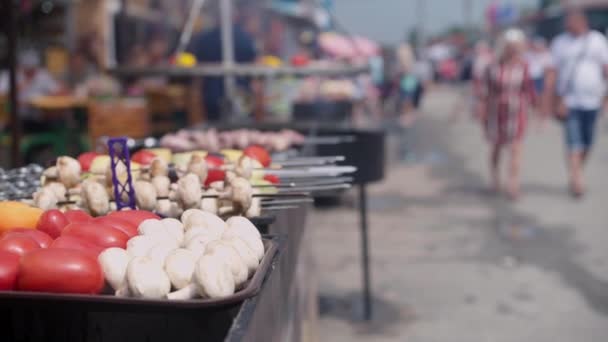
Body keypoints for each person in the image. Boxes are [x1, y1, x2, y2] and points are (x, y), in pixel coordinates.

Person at [544, 9, 608, 197]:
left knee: (588, 142)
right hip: (569, 101)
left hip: (593, 101)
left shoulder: (597, 40)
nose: (567, 24)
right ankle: (577, 179)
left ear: (581, 22)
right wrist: (551, 101)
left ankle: (577, 170)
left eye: (571, 21)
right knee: (574, 142)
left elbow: (605, 69)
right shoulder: (560, 43)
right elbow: (552, 73)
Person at [477, 29, 536, 199]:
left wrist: (536, 110)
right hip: (496, 112)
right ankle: (494, 178)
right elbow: (485, 92)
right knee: (496, 147)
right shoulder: (493, 67)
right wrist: (483, 112)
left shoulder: (523, 66)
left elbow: (529, 90)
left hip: (517, 112)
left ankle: (513, 183)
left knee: (516, 148)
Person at [189, 15, 257, 122]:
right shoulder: (245, 38)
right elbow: (253, 67)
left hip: (213, 97)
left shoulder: (204, 39)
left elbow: (198, 76)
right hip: (239, 96)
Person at [0, 50, 64, 125]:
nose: (31, 72)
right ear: (21, 66)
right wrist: (23, 85)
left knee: (56, 114)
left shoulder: (42, 75)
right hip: (15, 113)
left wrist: (50, 97)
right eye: (27, 69)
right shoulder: (8, 75)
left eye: (33, 68)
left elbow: (58, 90)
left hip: (39, 113)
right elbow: (2, 95)